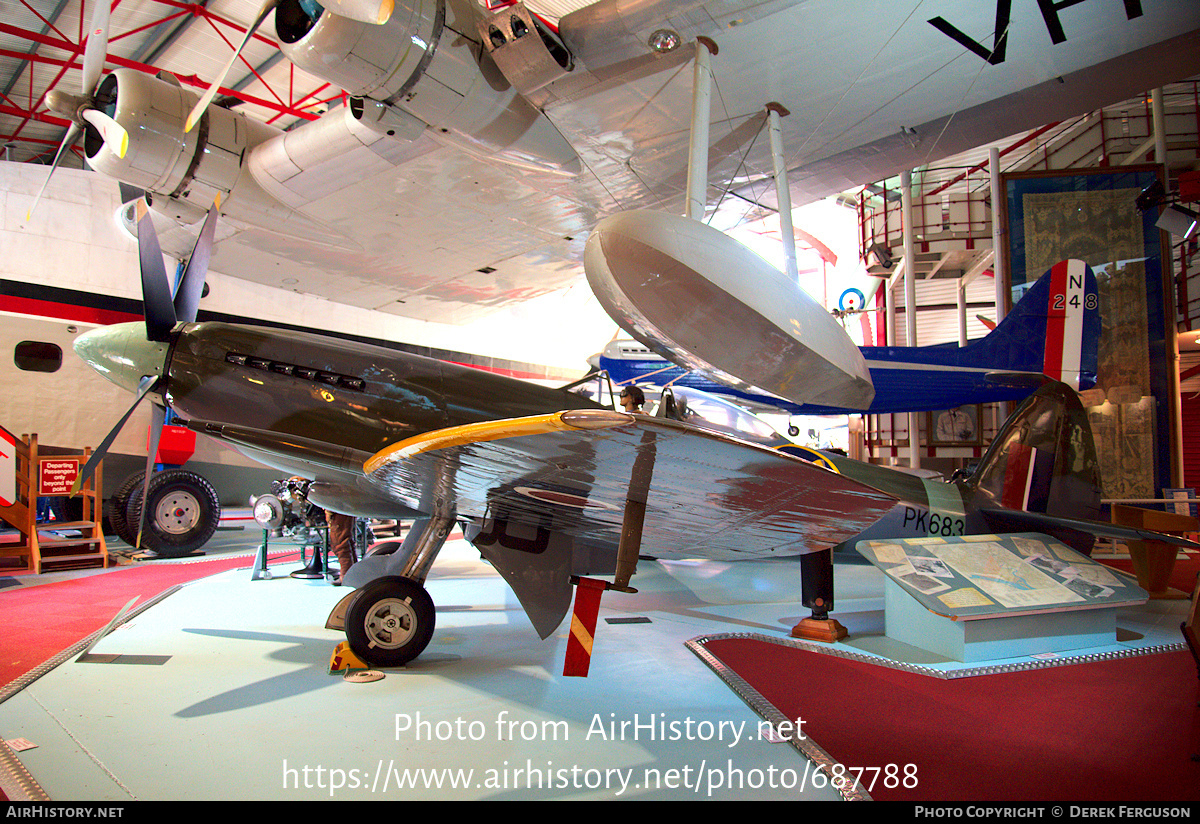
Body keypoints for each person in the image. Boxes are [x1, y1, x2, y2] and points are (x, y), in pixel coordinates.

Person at [326, 509, 357, 586]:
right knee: (345, 539)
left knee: (339, 542)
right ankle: (352, 573)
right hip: (344, 506)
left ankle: (345, 575)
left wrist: (328, 511)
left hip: (338, 506)